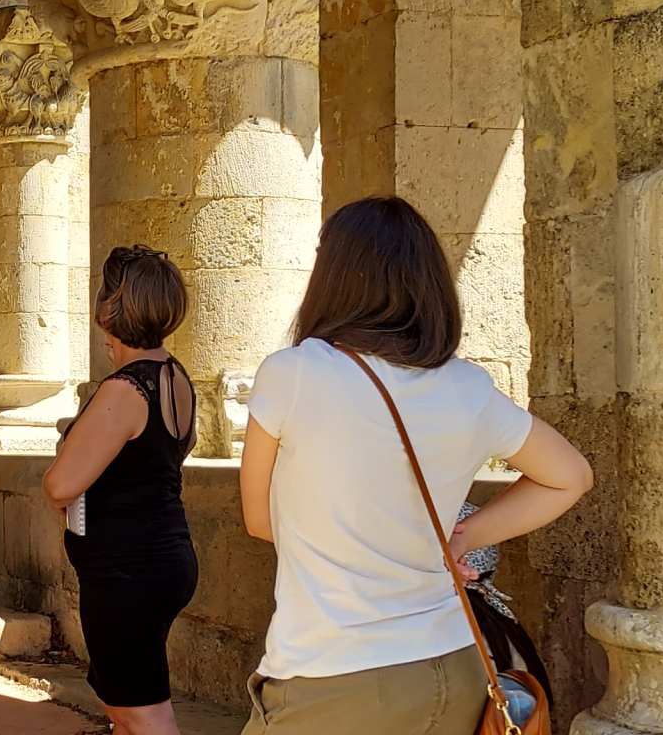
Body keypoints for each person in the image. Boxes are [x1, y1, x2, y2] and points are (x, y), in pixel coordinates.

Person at [237, 197, 593, 733]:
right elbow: (570, 476)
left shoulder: (293, 374)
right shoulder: (468, 387)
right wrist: (464, 537)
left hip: (334, 674)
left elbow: (261, 520)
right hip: (455, 667)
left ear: (333, 276)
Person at [43, 245, 199, 735]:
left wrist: (75, 437)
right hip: (161, 558)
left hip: (129, 572)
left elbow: (60, 485)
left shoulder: (124, 390)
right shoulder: (175, 378)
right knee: (123, 705)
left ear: (113, 309)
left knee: (142, 712)